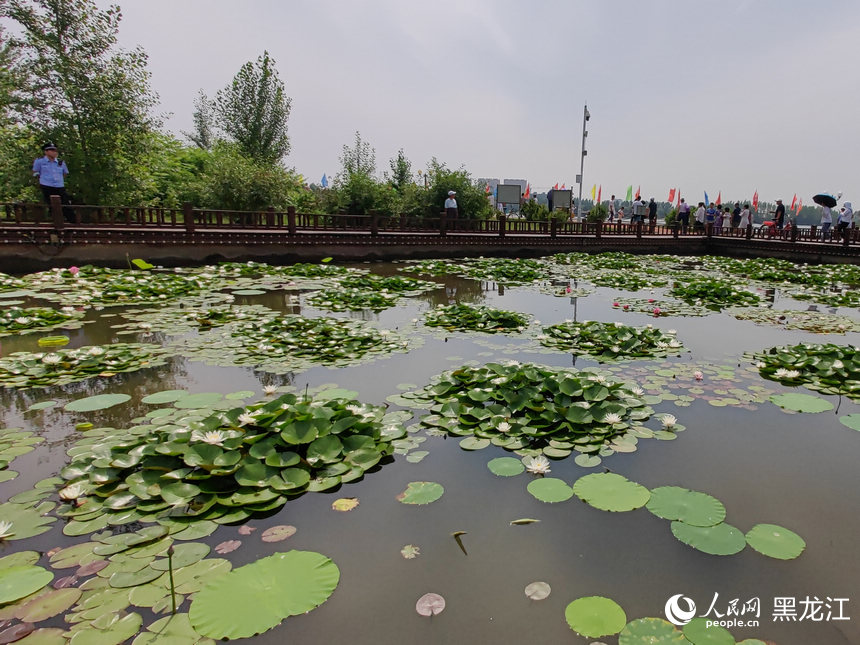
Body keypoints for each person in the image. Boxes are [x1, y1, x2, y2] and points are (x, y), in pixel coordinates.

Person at [32, 142, 73, 221]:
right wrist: (40, 179)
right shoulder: (40, 161)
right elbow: (35, 172)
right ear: (46, 152)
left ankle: (71, 221)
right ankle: (55, 221)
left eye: (55, 150)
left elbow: (65, 173)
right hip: (47, 185)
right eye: (51, 150)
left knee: (65, 204)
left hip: (59, 185)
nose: (54, 152)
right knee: (51, 205)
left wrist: (59, 179)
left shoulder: (60, 162)